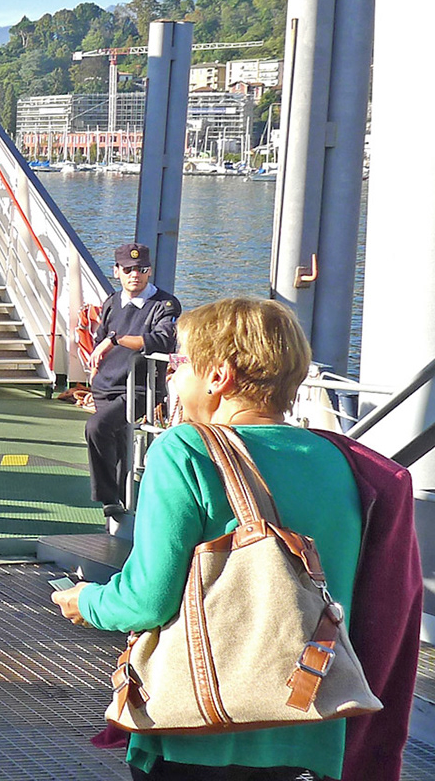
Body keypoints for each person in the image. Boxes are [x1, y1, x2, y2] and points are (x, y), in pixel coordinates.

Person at [52, 298, 417, 781]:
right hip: (314, 721)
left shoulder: (184, 449)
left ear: (218, 376)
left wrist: (88, 601)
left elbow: (147, 600)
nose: (172, 376)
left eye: (180, 362)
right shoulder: (346, 463)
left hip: (200, 726)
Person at [84, 243, 181, 517]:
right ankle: (120, 508)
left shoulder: (164, 304)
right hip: (106, 386)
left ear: (149, 272)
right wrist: (95, 375)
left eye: (141, 269)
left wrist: (115, 340)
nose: (134, 275)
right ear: (117, 272)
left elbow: (162, 340)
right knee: (118, 446)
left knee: (97, 428)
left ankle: (107, 499)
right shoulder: (112, 302)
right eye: (128, 269)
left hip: (139, 389)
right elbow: (98, 340)